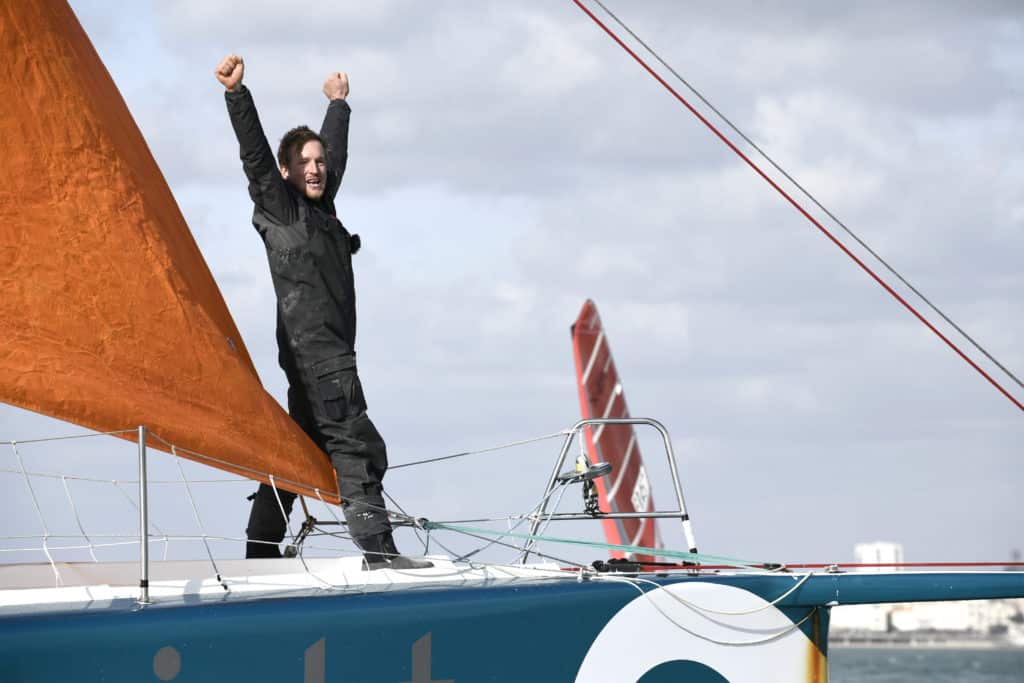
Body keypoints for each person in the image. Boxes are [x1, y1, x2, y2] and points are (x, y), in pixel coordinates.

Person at [216, 54, 430, 570]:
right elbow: (256, 159)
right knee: (355, 445)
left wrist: (338, 104)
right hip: (324, 361)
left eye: (319, 162)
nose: (315, 168)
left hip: (314, 362)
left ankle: (258, 558)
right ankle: (380, 554)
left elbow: (335, 155)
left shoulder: (320, 207)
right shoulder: (281, 210)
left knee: (295, 455)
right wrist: (236, 95)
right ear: (286, 173)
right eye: (304, 163)